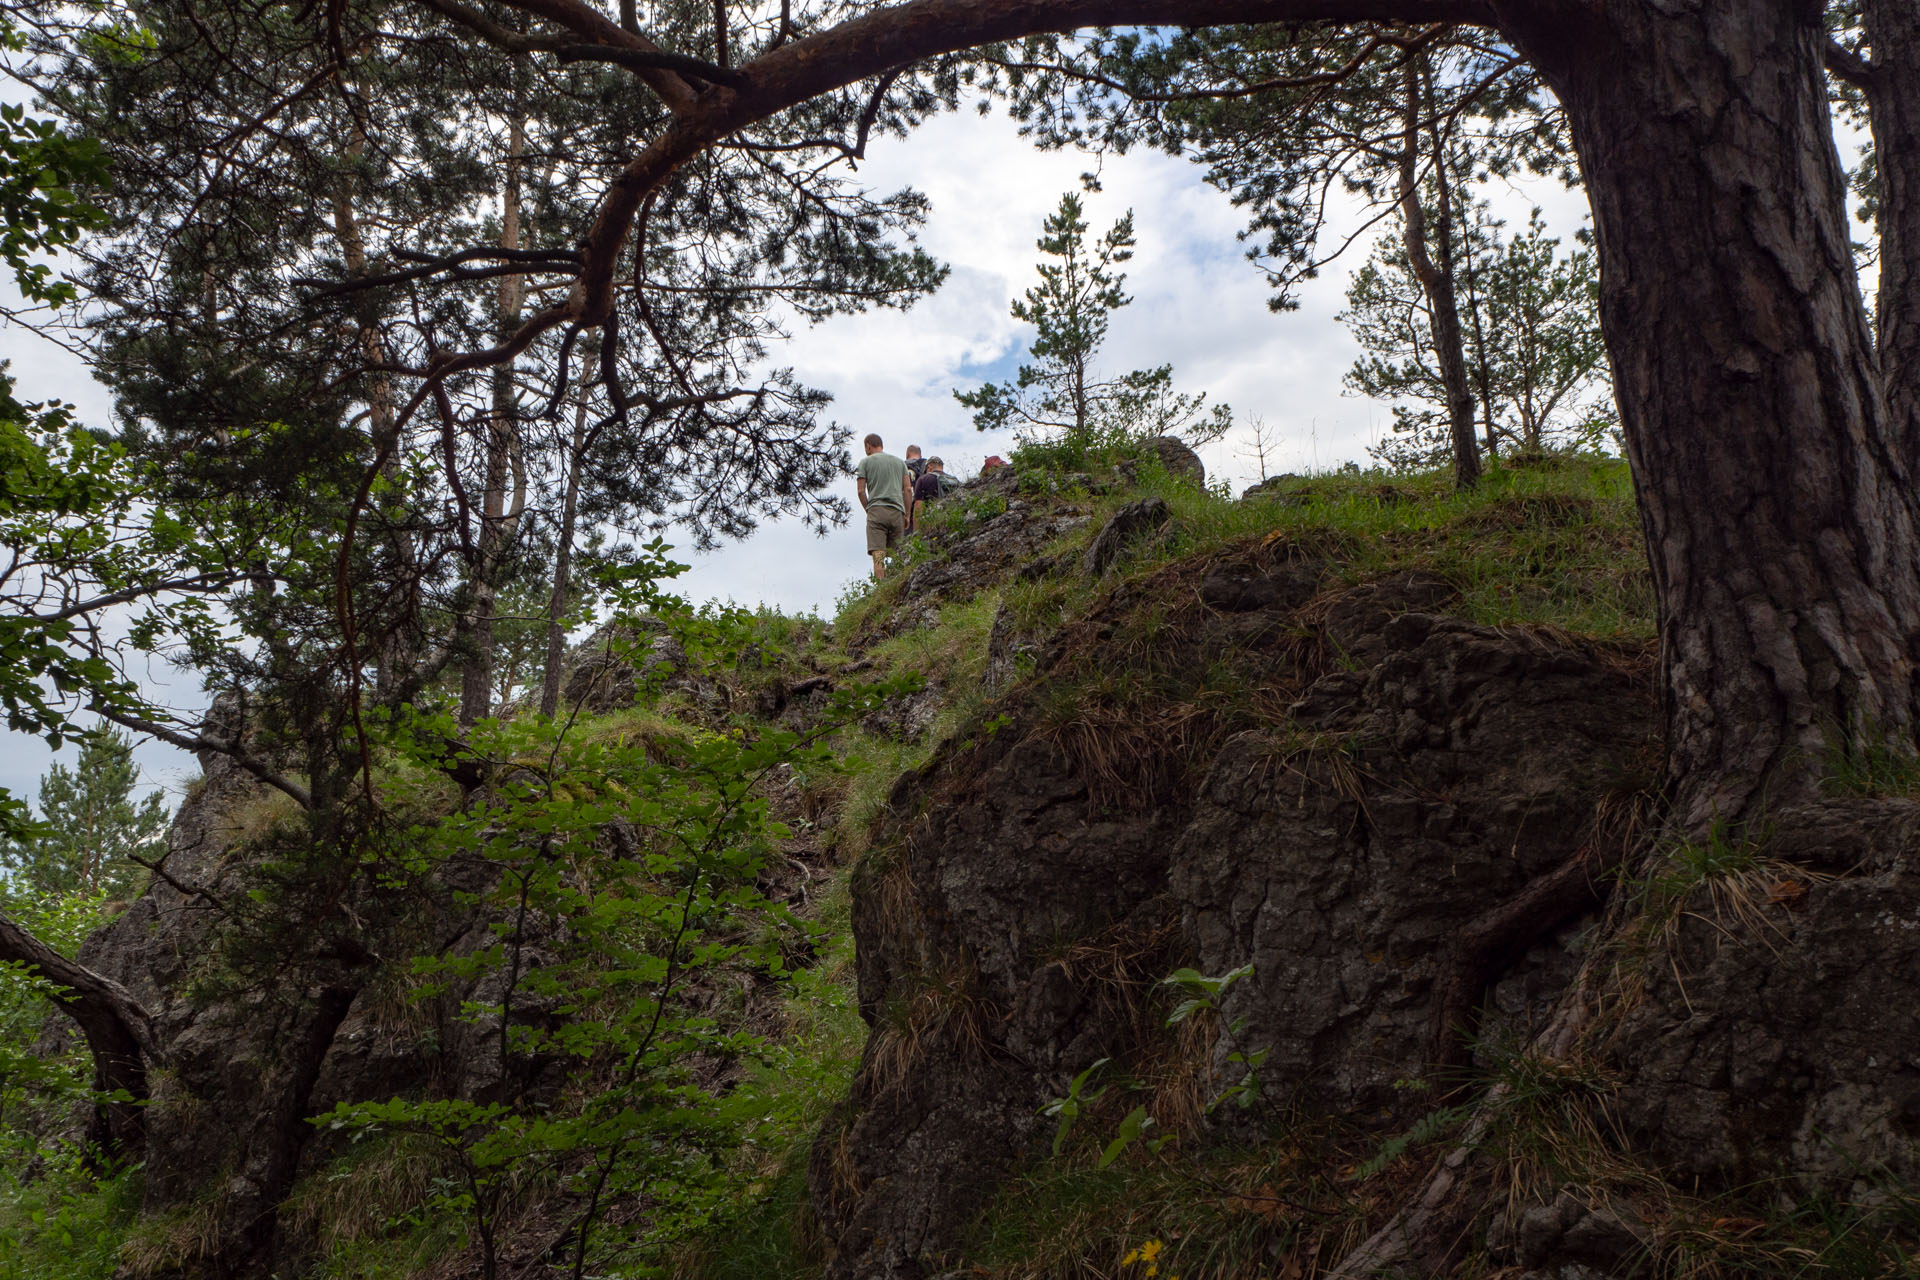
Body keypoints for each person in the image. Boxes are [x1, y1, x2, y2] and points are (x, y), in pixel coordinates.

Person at [854, 433, 913, 580]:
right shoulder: (900, 463)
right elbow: (907, 489)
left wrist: (869, 509)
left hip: (876, 510)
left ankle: (881, 585)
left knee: (878, 553)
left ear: (868, 445)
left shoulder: (865, 462)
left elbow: (861, 491)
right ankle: (898, 583)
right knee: (898, 552)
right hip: (897, 511)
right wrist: (907, 514)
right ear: (881, 445)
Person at [909, 456, 955, 531]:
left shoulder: (923, 479)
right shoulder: (953, 479)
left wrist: (916, 532)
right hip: (951, 522)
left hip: (932, 524)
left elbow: (918, 505)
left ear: (929, 466)